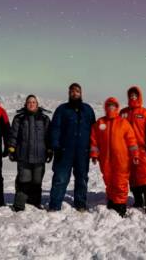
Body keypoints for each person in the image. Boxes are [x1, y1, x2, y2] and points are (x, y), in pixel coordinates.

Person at [48, 83, 96, 212]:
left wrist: (93, 149)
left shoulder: (88, 110)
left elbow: (94, 131)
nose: (74, 93)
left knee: (82, 178)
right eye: (72, 91)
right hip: (64, 151)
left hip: (83, 151)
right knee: (60, 178)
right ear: (69, 93)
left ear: (81, 93)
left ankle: (80, 203)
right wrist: (55, 146)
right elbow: (55, 128)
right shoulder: (62, 109)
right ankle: (54, 205)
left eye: (77, 91)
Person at [90, 97, 139, 217]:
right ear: (106, 107)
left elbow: (131, 141)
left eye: (114, 105)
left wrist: (135, 155)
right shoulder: (100, 122)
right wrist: (94, 154)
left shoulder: (123, 123)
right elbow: (94, 140)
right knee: (109, 180)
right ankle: (112, 200)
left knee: (120, 181)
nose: (111, 107)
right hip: (105, 159)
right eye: (109, 105)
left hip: (121, 158)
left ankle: (121, 204)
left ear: (117, 107)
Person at [8, 95, 53, 211]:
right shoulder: (19, 118)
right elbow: (13, 135)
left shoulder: (44, 119)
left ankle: (35, 201)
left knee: (37, 181)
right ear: (25, 104)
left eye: (33, 102)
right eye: (29, 102)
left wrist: (49, 150)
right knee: (24, 180)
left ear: (37, 104)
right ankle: (19, 204)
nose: (31, 104)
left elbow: (49, 137)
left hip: (40, 156)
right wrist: (11, 149)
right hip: (24, 156)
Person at [120, 86, 146, 213]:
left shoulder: (145, 113)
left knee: (145, 175)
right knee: (132, 176)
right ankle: (138, 200)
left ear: (139, 96)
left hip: (142, 149)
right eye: (131, 95)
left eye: (135, 95)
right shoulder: (123, 113)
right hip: (127, 150)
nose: (133, 97)